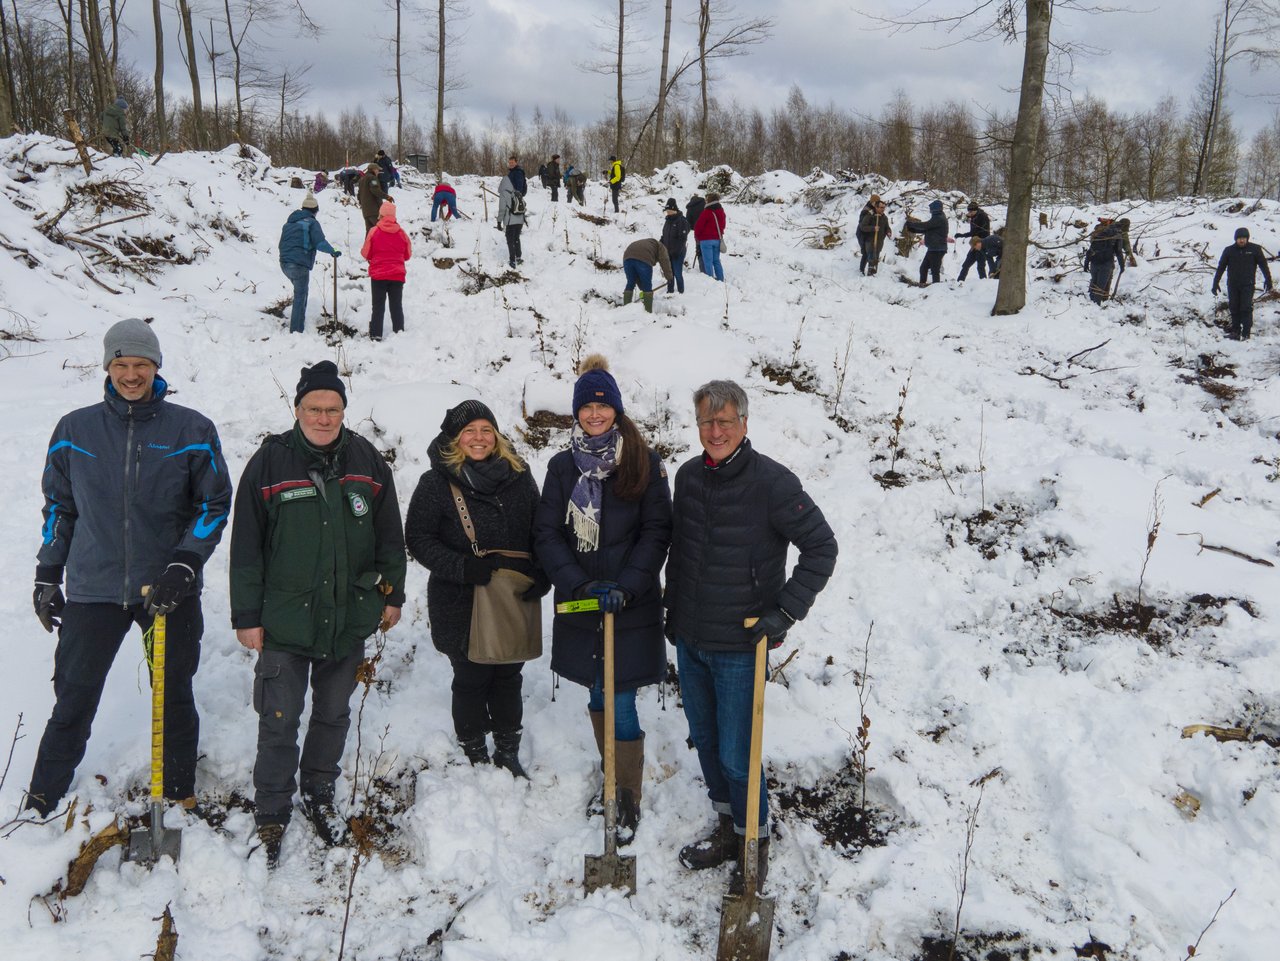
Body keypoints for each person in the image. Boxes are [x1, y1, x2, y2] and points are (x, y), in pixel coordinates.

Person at [25, 319, 232, 818]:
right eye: (122, 364)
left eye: (141, 364)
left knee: (174, 692)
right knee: (72, 695)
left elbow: (214, 504)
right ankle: (39, 800)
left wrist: (184, 564)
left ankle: (179, 792)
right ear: (108, 367)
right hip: (94, 587)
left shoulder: (192, 428)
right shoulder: (75, 429)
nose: (131, 374)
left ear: (157, 367)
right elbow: (59, 507)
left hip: (166, 589)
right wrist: (48, 572)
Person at [229, 361, 406, 867]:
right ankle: (271, 810)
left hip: (348, 616)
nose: (323, 418)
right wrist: (247, 615)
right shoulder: (269, 463)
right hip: (284, 618)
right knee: (279, 719)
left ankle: (319, 794)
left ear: (344, 411)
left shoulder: (367, 461)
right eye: (314, 408)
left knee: (332, 713)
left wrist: (391, 597)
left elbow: (390, 538)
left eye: (332, 409)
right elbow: (246, 548)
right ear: (298, 409)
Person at [667, 380, 837, 894]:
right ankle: (728, 828)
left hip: (741, 645)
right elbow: (683, 550)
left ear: (744, 423)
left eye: (724, 422)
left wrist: (785, 610)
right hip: (691, 638)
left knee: (739, 755)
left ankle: (753, 842)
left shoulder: (773, 483)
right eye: (706, 422)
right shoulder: (688, 477)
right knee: (709, 743)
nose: (715, 431)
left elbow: (821, 547)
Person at [534, 356, 672, 842]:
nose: (594, 414)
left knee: (620, 696)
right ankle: (610, 773)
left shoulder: (644, 463)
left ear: (615, 409)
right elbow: (547, 534)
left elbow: (657, 532)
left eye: (602, 406)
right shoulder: (561, 466)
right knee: (597, 689)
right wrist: (579, 585)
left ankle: (624, 793)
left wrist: (628, 586)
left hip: (630, 604)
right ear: (577, 413)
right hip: (584, 602)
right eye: (586, 408)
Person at [404, 400, 549, 776]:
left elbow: (541, 529)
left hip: (512, 593)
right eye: (469, 431)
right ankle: (472, 746)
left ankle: (506, 747)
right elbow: (418, 538)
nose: (479, 438)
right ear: (454, 438)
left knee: (508, 676)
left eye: (486, 430)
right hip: (460, 598)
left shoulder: (519, 476)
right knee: (470, 677)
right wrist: (461, 567)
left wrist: (543, 572)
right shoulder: (436, 482)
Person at [278, 191, 341, 335]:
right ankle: (296, 331)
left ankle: (297, 326)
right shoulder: (312, 222)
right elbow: (319, 243)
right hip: (298, 264)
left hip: (284, 263)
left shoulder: (289, 223)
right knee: (301, 295)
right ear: (315, 210)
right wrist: (333, 250)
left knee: (300, 293)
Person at [361, 201, 412, 341]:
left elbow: (365, 253)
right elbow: (407, 255)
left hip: (378, 275)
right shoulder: (401, 233)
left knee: (378, 306)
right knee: (396, 305)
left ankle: (376, 335)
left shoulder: (374, 231)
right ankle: (399, 332)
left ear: (381, 214)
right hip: (397, 275)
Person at [1212, 227, 1273, 340]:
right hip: (1233, 284)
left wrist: (1268, 280)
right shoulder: (1229, 250)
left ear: (1247, 238)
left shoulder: (1255, 249)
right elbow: (1221, 267)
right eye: (1239, 238)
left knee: (1245, 307)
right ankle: (1235, 331)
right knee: (1234, 307)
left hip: (1247, 285)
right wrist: (1215, 283)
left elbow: (1263, 265)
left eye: (1244, 238)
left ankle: (1246, 333)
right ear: (1236, 239)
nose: (1241, 241)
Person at [621, 238, 673, 313]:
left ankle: (626, 310)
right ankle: (648, 312)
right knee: (647, 286)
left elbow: (638, 276)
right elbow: (665, 261)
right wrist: (669, 277)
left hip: (627, 257)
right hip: (643, 257)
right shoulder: (662, 247)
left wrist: (642, 288)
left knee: (630, 282)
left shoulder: (649, 243)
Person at [905, 200, 949, 285]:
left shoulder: (939, 218)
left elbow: (926, 225)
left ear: (935, 209)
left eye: (931, 209)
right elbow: (928, 230)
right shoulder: (937, 218)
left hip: (938, 249)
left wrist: (911, 224)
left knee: (934, 270)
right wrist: (913, 229)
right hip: (933, 248)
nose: (930, 211)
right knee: (923, 268)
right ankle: (922, 284)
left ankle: (937, 289)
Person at [1083, 216, 1124, 305]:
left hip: (1094, 261)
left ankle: (1089, 304)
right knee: (1100, 287)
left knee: (1094, 282)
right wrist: (1122, 266)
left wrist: (1086, 263)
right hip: (1107, 263)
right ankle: (1096, 307)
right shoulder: (1118, 234)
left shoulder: (1098, 232)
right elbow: (1119, 252)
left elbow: (1091, 249)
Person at [693, 192, 727, 282]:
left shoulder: (707, 212)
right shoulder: (721, 211)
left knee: (708, 262)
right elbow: (723, 226)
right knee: (716, 261)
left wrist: (698, 237)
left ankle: (710, 281)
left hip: (706, 240)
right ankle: (720, 279)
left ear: (709, 201)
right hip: (717, 240)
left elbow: (698, 227)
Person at [498, 165, 526, 269]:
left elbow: (502, 209)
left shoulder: (504, 193)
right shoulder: (516, 191)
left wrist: (499, 222)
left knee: (510, 239)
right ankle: (518, 257)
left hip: (510, 221)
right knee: (516, 238)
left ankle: (512, 260)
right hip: (520, 220)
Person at [660, 198, 690, 294]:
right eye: (666, 211)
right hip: (668, 251)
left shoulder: (681, 221)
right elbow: (664, 235)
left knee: (677, 272)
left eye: (669, 211)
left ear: (674, 209)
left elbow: (682, 239)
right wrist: (659, 245)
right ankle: (670, 290)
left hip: (678, 252)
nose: (667, 213)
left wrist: (676, 251)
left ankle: (681, 291)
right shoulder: (668, 221)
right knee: (669, 273)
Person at [857, 198, 891, 276]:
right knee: (871, 258)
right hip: (870, 242)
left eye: (884, 207)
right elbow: (862, 226)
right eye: (881, 207)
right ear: (876, 207)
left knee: (876, 258)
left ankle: (872, 274)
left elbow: (887, 227)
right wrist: (873, 228)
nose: (883, 209)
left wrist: (889, 232)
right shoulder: (870, 215)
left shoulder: (884, 217)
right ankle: (868, 274)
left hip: (879, 242)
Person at [358, 162, 391, 232]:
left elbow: (358, 195)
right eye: (378, 170)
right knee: (380, 230)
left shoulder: (362, 179)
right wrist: (387, 197)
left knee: (370, 232)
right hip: (374, 210)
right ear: (374, 169)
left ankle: (367, 243)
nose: (378, 172)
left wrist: (362, 204)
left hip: (365, 211)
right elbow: (375, 190)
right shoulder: (372, 178)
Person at [854, 194, 880, 275]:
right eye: (876, 202)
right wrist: (873, 228)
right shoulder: (866, 211)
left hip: (869, 234)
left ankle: (871, 271)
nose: (877, 204)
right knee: (865, 253)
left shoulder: (874, 208)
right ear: (872, 202)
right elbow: (862, 225)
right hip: (862, 234)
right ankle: (861, 271)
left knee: (871, 252)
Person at [686, 194, 707, 273]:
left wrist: (693, 227)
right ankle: (709, 269)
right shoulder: (705, 204)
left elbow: (688, 222)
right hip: (709, 231)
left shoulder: (690, 207)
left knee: (699, 250)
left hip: (698, 232)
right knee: (708, 250)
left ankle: (703, 271)